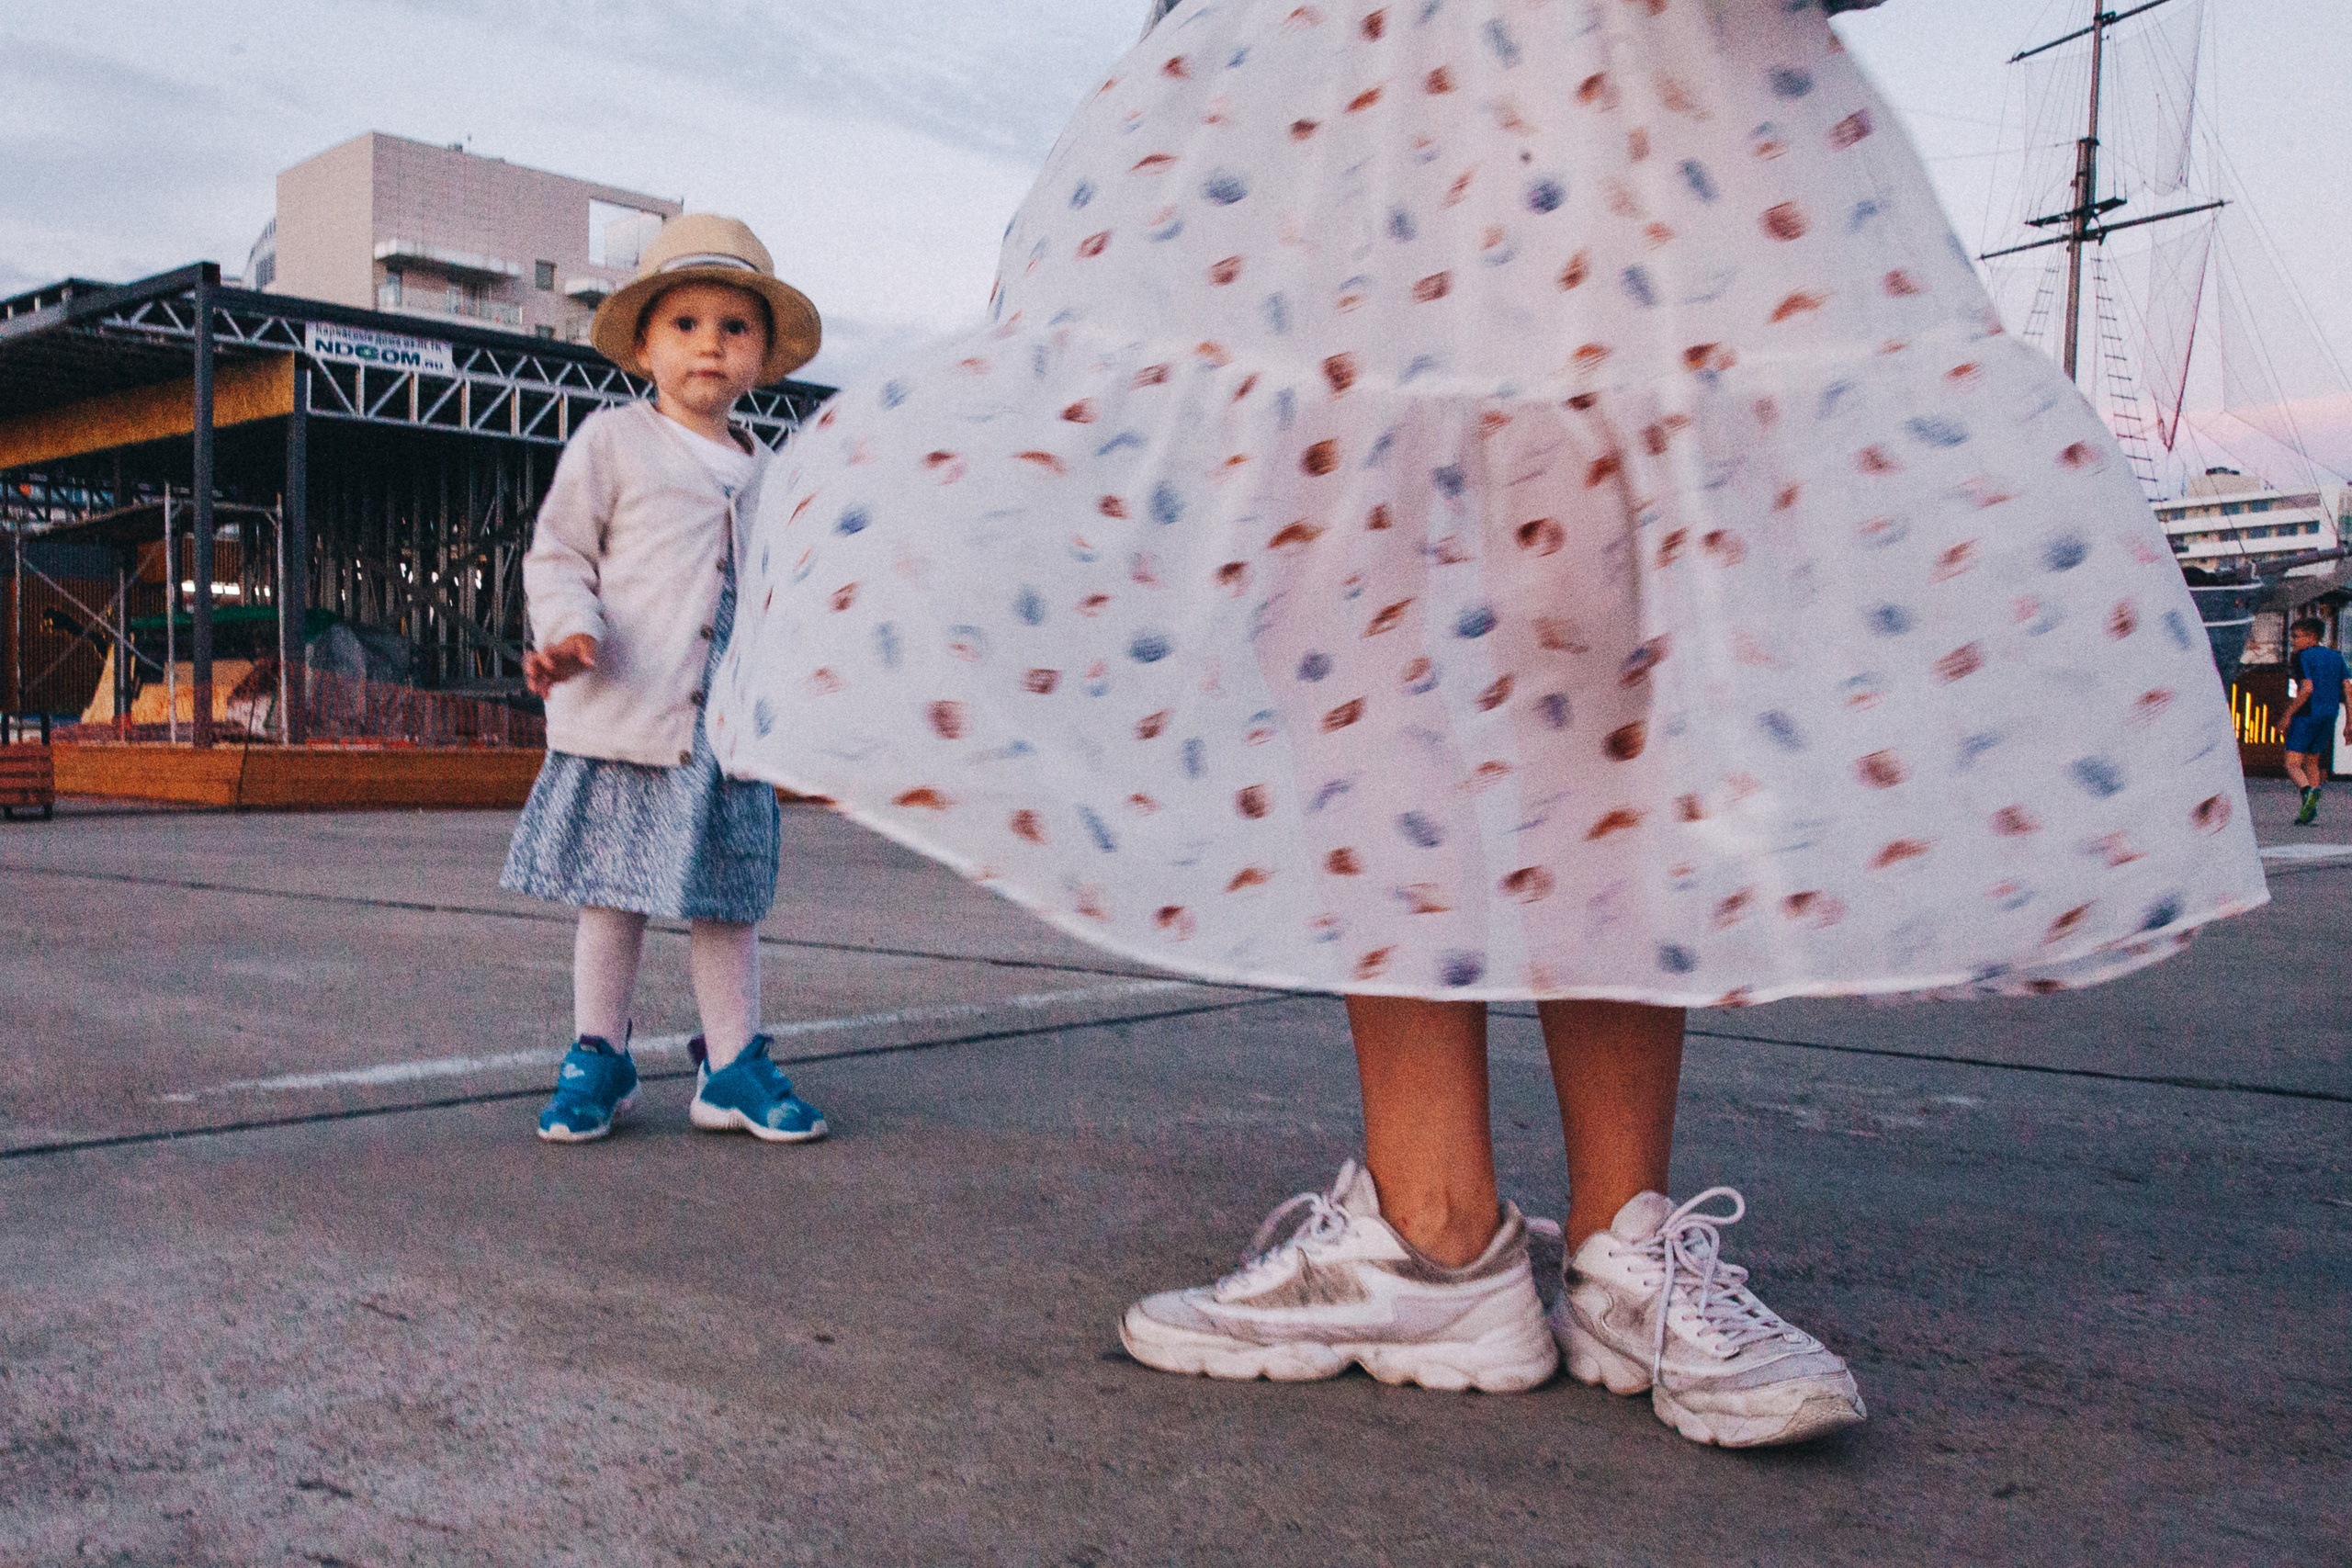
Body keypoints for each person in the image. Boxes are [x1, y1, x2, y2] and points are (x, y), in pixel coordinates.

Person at [710, 0, 2267, 1446]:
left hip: (1638, 54)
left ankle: (1621, 1238)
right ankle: (1433, 1218)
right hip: (1343, 57)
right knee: (1346, 552)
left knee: (1601, 576)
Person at [503, 213, 832, 1146]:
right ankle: (597, 1055)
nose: (709, 346)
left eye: (735, 328)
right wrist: (569, 632)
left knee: (727, 902)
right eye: (685, 324)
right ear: (643, 342)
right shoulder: (612, 444)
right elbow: (558, 553)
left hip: (728, 737)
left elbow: (781, 597)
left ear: (762, 357)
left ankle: (730, 1067)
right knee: (613, 894)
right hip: (628, 715)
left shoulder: (769, 473)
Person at [2280, 616, 2349, 826]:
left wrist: (2288, 714)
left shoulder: (2302, 656)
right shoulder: (2336, 657)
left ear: (2312, 637)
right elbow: (2348, 687)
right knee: (2312, 762)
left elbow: (2307, 688)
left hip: (2307, 714)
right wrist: (2350, 722)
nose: (2293, 641)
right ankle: (2308, 810)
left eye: (2297, 636)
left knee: (2292, 763)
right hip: (2330, 714)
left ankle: (2308, 791)